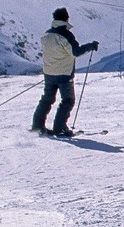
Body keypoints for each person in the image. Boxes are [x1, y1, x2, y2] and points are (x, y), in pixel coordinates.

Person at [31, 7, 99, 137]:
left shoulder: (47, 34)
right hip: (64, 74)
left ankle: (37, 127)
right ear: (66, 19)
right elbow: (76, 52)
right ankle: (60, 128)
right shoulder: (66, 34)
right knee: (68, 100)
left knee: (47, 100)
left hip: (49, 73)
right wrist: (90, 46)